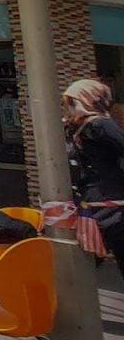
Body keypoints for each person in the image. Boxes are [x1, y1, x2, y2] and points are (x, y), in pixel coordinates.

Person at [63, 79, 124, 277]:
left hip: (100, 204)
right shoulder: (95, 125)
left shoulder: (88, 126)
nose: (69, 108)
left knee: (87, 260)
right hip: (107, 203)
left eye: (72, 103)